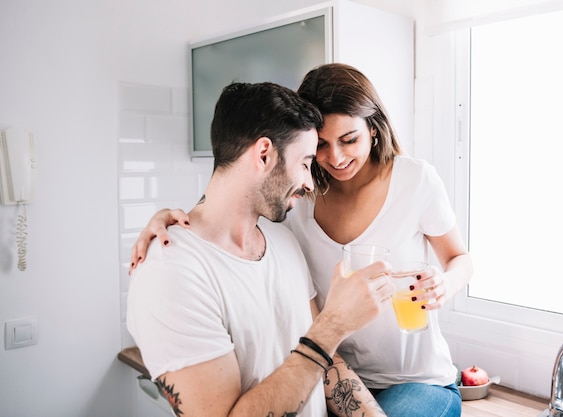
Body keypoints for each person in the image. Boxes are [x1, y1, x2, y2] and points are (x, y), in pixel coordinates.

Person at [130, 64, 473, 417]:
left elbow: (459, 258)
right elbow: (224, 213)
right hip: (346, 370)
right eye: (312, 155)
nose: (326, 166)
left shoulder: (285, 236)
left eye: (348, 140)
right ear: (265, 153)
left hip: (412, 379)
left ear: (372, 129)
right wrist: (171, 223)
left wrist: (443, 285)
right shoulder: (288, 216)